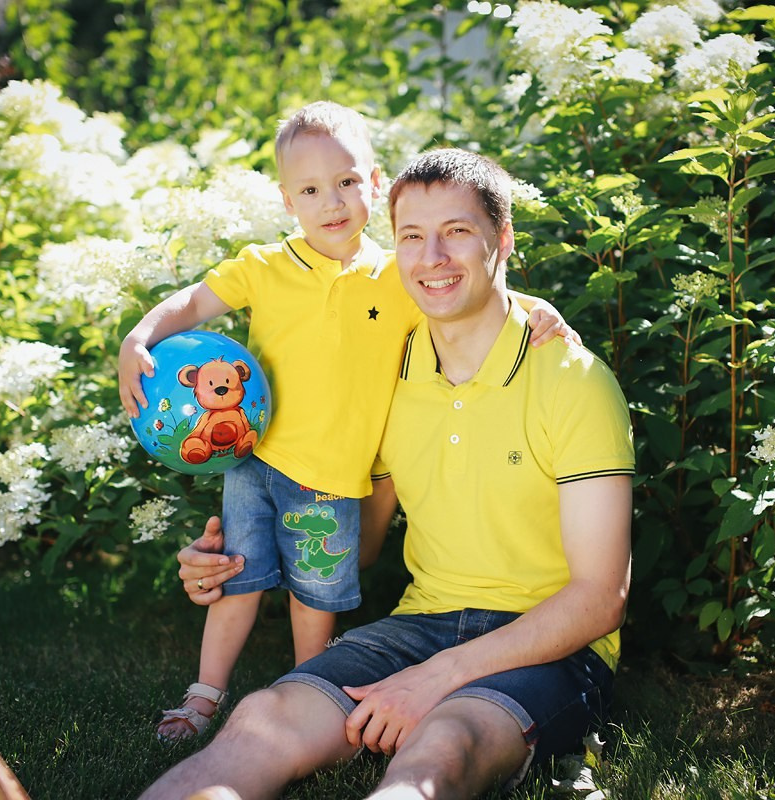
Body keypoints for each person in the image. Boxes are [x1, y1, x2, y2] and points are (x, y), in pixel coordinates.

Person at [0, 147, 633, 800]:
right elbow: (356, 549)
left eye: (457, 232)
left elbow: (599, 600)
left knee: (442, 744)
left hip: (551, 646)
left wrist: (433, 682)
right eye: (412, 236)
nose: (432, 257)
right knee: (261, 719)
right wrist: (231, 562)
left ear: (502, 241)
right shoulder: (394, 370)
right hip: (419, 624)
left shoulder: (573, 381)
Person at [117, 102, 571, 742]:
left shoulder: (397, 277)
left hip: (337, 478)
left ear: (376, 182)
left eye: (347, 182)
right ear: (286, 200)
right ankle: (203, 695)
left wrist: (539, 307)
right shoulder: (264, 266)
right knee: (237, 580)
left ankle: (310, 699)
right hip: (257, 460)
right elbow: (194, 301)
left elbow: (472, 296)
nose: (331, 202)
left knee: (314, 599)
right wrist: (140, 336)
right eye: (310, 189)